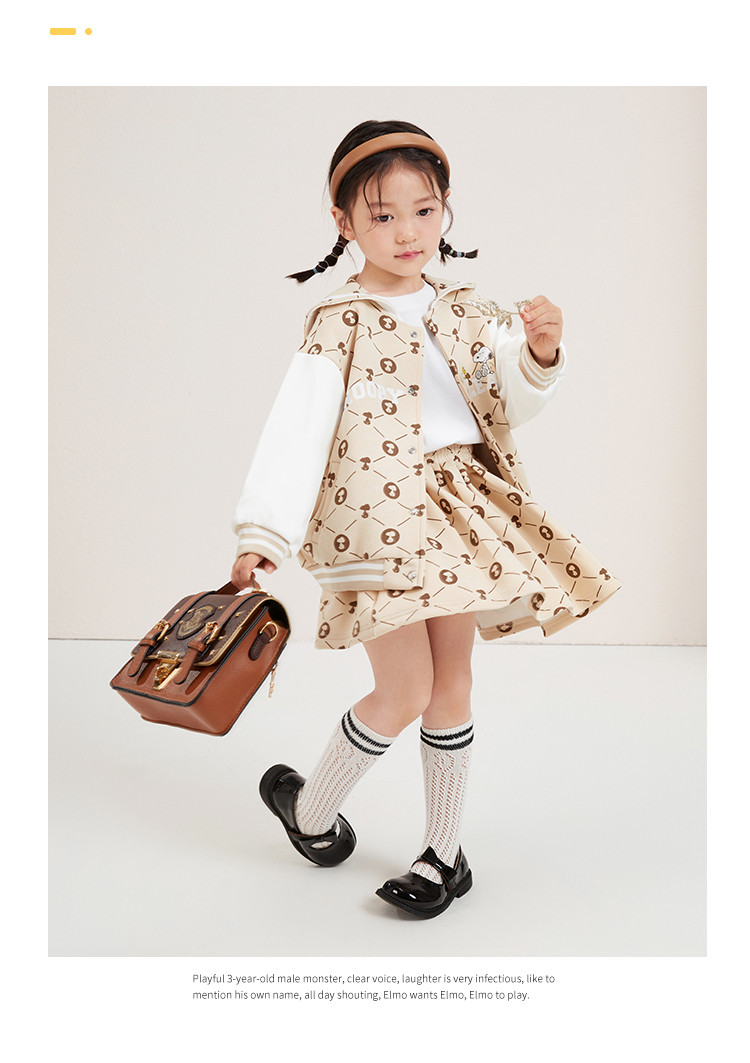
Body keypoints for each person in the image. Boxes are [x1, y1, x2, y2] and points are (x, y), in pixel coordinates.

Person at [230, 119, 621, 919]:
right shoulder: (339, 323)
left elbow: (506, 401)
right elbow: (297, 429)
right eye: (383, 215)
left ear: (445, 208)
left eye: (424, 210)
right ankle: (311, 811)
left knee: (452, 682)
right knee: (403, 688)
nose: (407, 232)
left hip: (457, 512)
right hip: (376, 517)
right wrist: (262, 534)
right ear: (343, 222)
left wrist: (541, 353)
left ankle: (444, 852)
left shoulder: (469, 310)